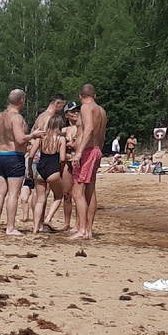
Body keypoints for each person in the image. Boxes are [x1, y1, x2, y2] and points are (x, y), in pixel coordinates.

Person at [0, 89, 39, 235]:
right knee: (13, 193)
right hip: (14, 157)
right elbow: (19, 138)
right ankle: (10, 227)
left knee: (0, 193)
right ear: (21, 101)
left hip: (1, 155)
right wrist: (33, 135)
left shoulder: (0, 116)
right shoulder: (16, 118)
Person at [70, 83, 106, 240]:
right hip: (96, 150)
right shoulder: (101, 111)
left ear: (80, 96)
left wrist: (78, 152)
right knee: (90, 191)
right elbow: (101, 134)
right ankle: (89, 230)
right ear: (95, 95)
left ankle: (82, 230)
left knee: (77, 192)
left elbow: (89, 128)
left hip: (87, 151)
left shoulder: (86, 108)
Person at [31, 112, 67, 233]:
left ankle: (36, 227)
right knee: (58, 196)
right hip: (53, 169)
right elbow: (62, 158)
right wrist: (61, 171)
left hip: (40, 169)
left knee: (40, 200)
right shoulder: (61, 139)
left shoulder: (42, 137)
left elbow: (31, 155)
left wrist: (31, 170)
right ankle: (48, 218)